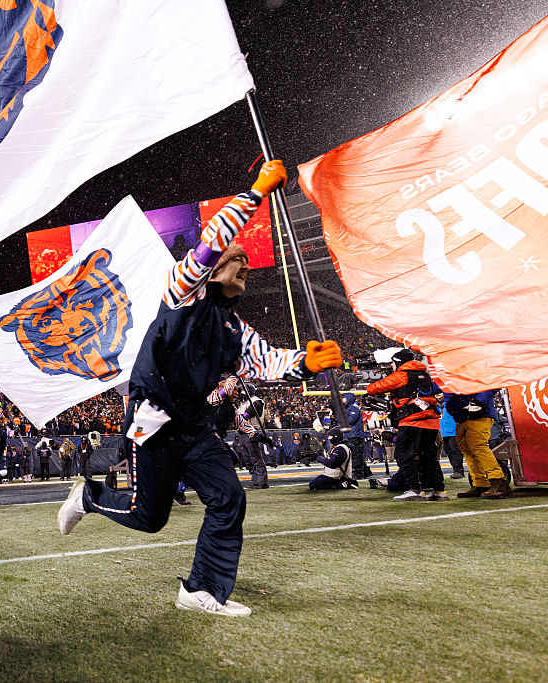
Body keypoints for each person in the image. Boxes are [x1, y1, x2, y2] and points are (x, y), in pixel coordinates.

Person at [58, 160, 345, 617]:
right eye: (238, 259)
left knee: (229, 496)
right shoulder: (182, 291)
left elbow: (268, 362)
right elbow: (212, 240)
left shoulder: (236, 327)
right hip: (154, 423)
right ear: (211, 271)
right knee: (148, 518)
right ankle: (88, 496)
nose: (247, 264)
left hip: (196, 427)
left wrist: (306, 364)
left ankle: (201, 590)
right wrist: (254, 194)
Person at [365, 349, 445, 502]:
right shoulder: (426, 375)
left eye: (393, 363)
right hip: (431, 422)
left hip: (411, 420)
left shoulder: (402, 375)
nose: (392, 366)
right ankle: (439, 491)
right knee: (429, 456)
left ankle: (414, 489)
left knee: (403, 454)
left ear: (399, 362)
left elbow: (374, 388)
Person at [445, 391, 511, 499]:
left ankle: (498, 481)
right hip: (461, 415)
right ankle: (480, 483)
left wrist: (478, 401)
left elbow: (490, 384)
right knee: (467, 450)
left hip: (479, 413)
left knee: (478, 446)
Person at [340, 392, 372, 480]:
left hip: (355, 435)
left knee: (356, 455)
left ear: (348, 398)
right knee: (355, 455)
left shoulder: (353, 408)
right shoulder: (348, 408)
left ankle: (358, 474)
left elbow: (351, 420)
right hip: (350, 435)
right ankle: (366, 472)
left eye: (343, 398)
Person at [439, 404, 466, 479]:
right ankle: (455, 470)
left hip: (454, 432)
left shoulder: (450, 404)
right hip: (442, 433)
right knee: (448, 451)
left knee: (455, 451)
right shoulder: (436, 406)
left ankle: (459, 471)